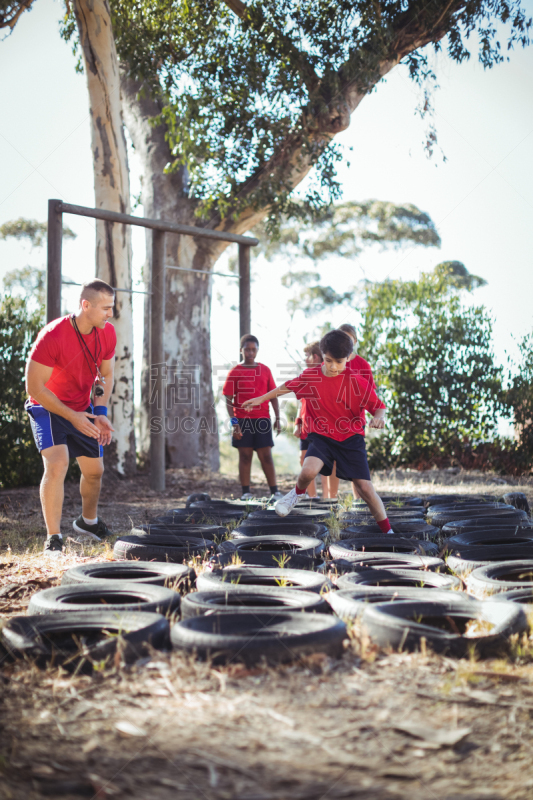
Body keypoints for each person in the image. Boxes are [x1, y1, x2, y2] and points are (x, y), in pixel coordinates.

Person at [243, 329, 394, 531]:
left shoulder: (357, 381)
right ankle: (296, 494)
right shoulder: (310, 376)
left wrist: (379, 418)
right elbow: (286, 387)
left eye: (339, 362)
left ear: (349, 358)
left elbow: (379, 406)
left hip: (351, 438)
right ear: (322, 355)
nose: (333, 367)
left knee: (365, 488)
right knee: (308, 471)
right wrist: (260, 398)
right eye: (329, 360)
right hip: (322, 436)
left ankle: (388, 530)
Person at [25, 280, 116, 555]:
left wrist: (99, 413)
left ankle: (88, 523)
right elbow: (34, 387)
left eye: (112, 307)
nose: (110, 314)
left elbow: (106, 375)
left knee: (95, 471)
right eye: (106, 308)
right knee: (57, 463)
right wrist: (73, 417)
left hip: (82, 407)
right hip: (47, 405)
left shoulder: (107, 333)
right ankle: (54, 538)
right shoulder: (53, 336)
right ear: (85, 305)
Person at [222, 334, 282, 501]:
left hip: (262, 419)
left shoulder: (265, 370)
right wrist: (235, 423)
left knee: (266, 456)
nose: (250, 353)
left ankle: (275, 492)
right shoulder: (235, 372)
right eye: (247, 349)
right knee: (245, 456)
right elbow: (228, 400)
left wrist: (277, 417)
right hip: (242, 420)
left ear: (257, 350)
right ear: (241, 350)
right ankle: (246, 492)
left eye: (253, 349)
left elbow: (274, 395)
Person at [339, 322, 377, 499]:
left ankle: (358, 502)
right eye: (342, 338)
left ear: (355, 341)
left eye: (350, 339)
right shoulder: (333, 363)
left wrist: (376, 415)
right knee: (329, 463)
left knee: (357, 468)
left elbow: (371, 395)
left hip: (355, 423)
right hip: (333, 422)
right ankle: (329, 498)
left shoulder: (362, 364)